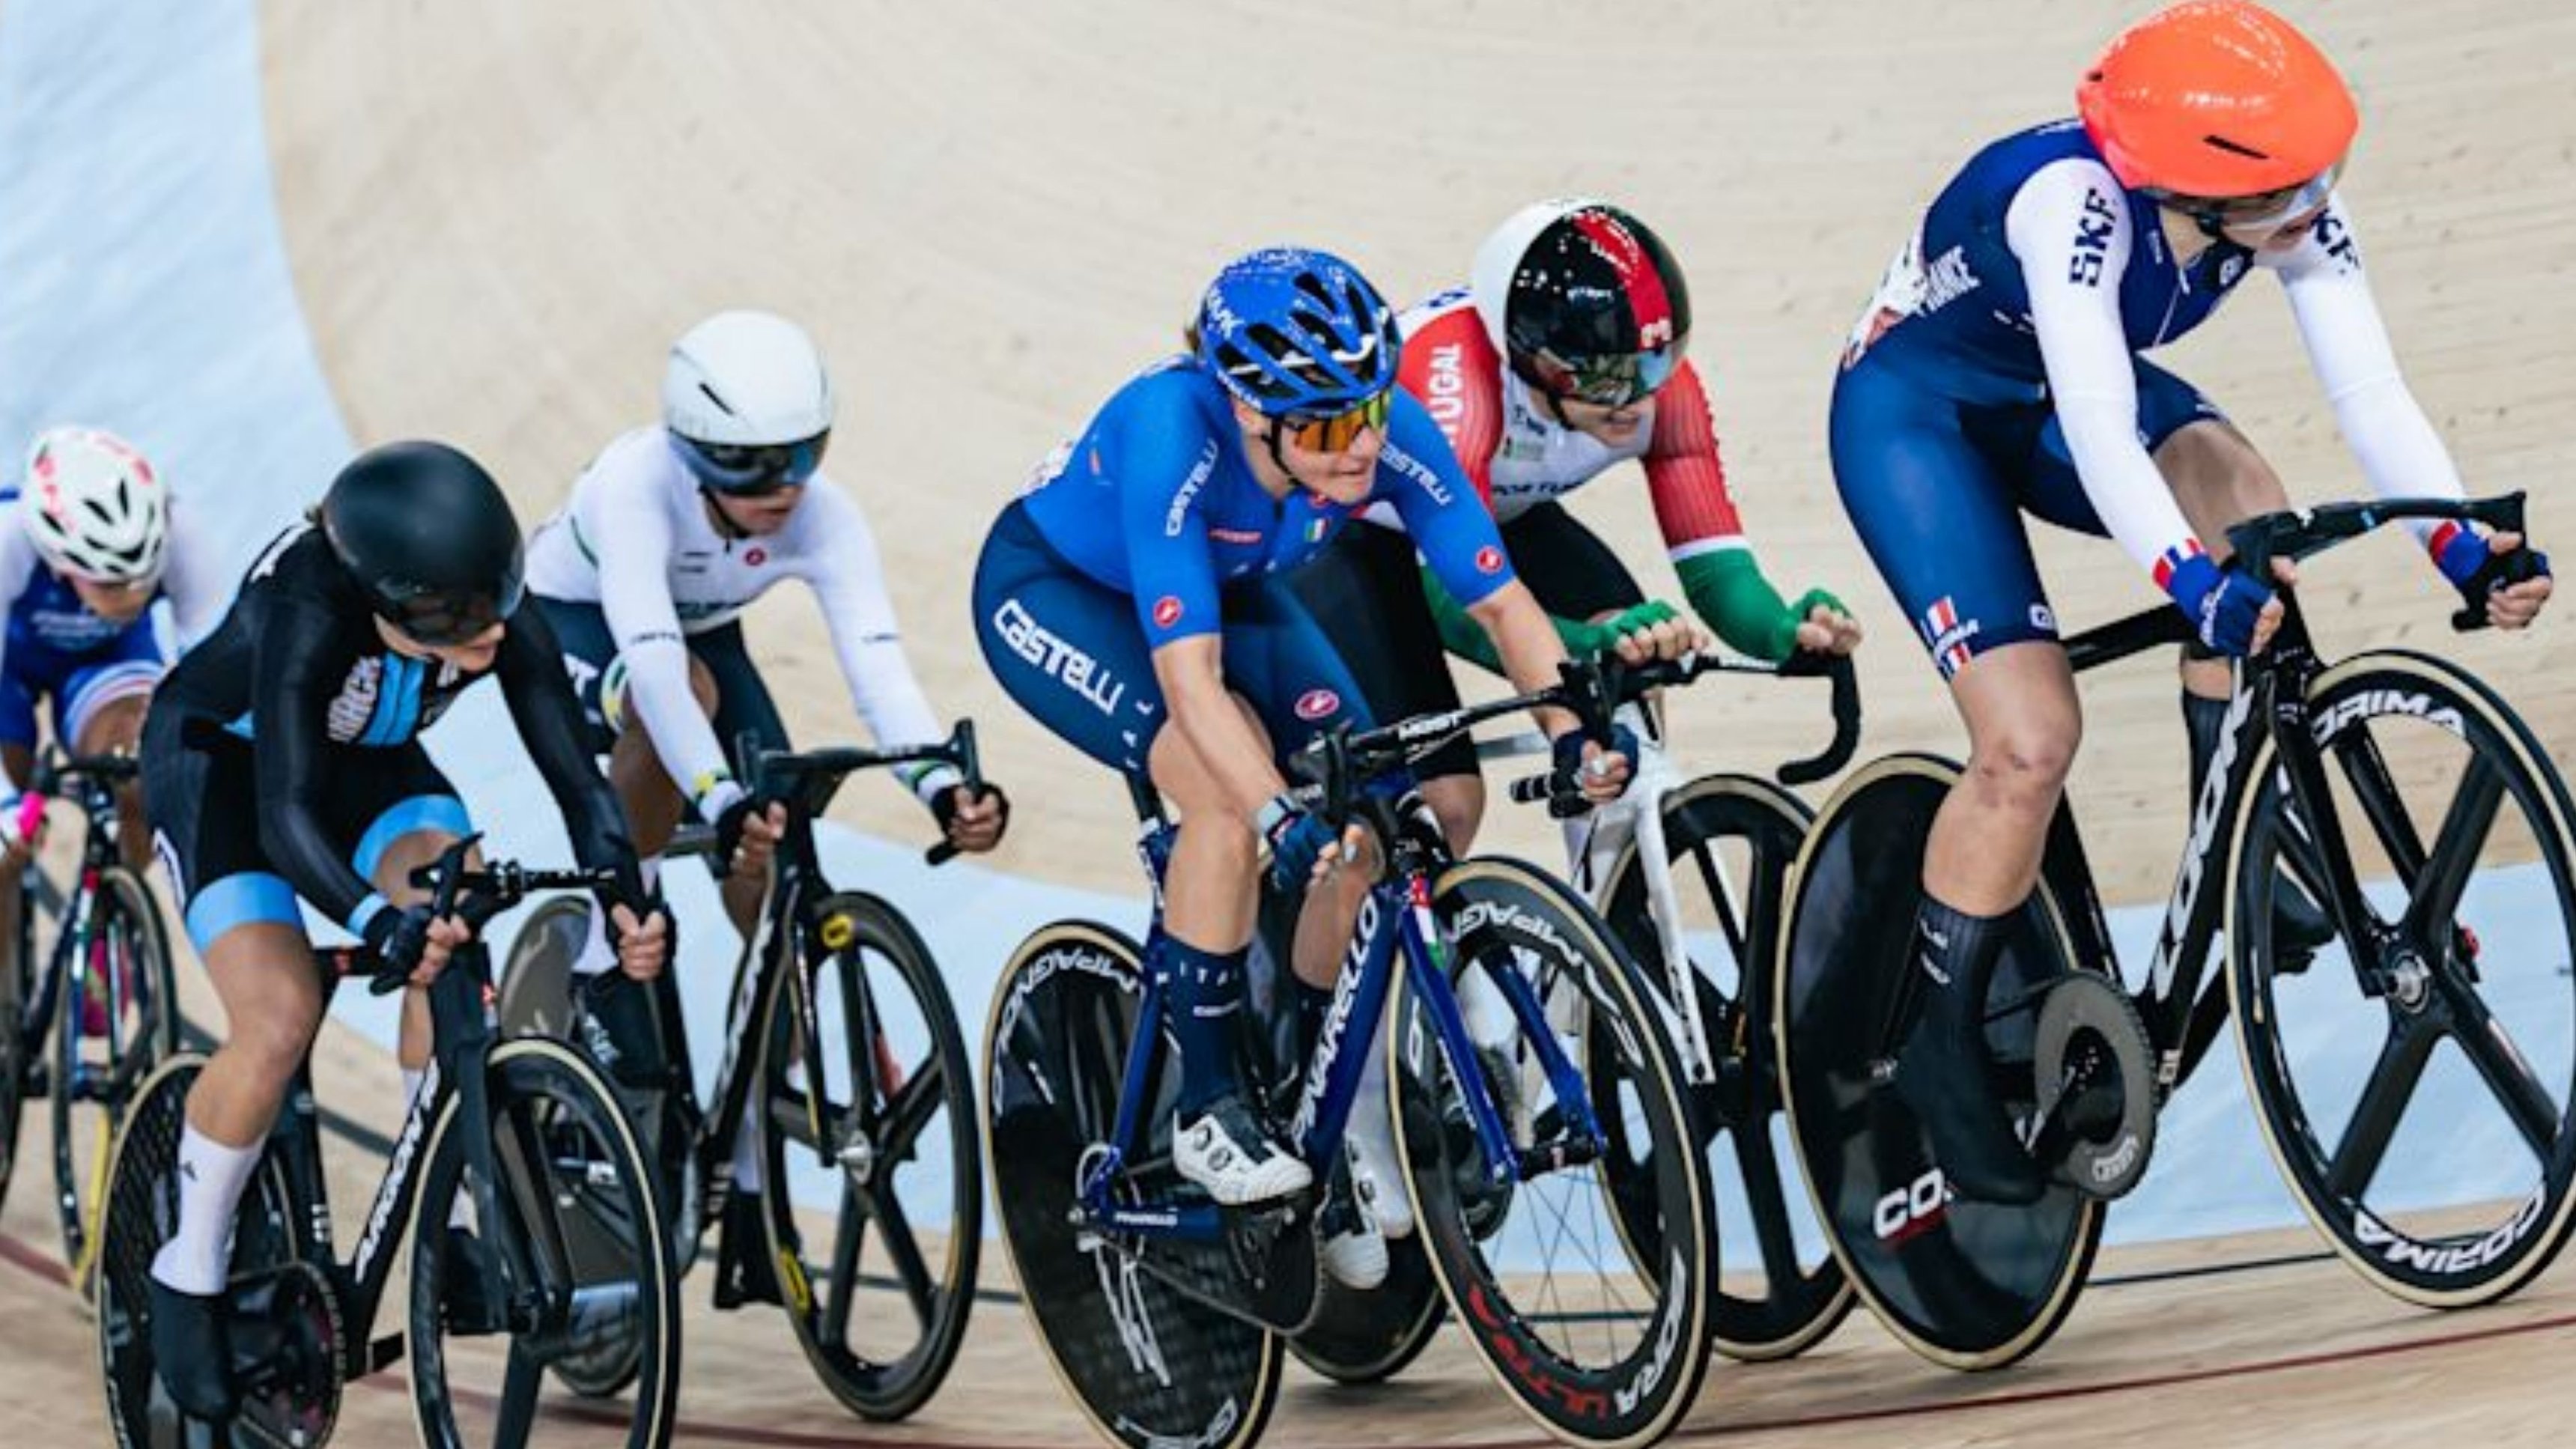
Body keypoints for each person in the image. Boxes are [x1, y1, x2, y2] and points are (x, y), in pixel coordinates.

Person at [1829, 0, 2552, 1203]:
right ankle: (1940, 1046)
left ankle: (2246, 850)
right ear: (2193, 193)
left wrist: (2462, 546)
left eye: (2323, 178)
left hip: (2057, 395)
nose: (2314, 210)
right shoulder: (2072, 204)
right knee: (2031, 736)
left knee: (2252, 511)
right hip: (1920, 420)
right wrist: (2184, 583)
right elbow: (2106, 433)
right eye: (2285, 196)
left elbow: (2371, 388)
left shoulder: (2282, 200)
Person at [973, 246, 1635, 1290]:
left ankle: (1320, 1082)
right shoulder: (1168, 434)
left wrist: (1574, 734)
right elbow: (1192, 686)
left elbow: (1504, 601)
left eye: (1370, 407)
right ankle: (1207, 1107)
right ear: (1249, 413)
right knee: (1224, 805)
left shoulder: (1375, 430)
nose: (1361, 445)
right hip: (1060, 595)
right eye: (1327, 428)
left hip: (1235, 591)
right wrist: (1279, 817)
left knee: (1378, 813)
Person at [139, 441, 669, 1418]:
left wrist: (628, 896)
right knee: (281, 1016)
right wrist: (378, 920)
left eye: (493, 608)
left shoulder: (489, 609)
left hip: (365, 766)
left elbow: (574, 774)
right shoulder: (308, 607)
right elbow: (285, 812)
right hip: (223, 773)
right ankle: (189, 1265)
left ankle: (457, 1222)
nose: (486, 639)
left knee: (456, 908)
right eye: (455, 622)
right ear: (388, 596)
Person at [520, 308, 1009, 1308]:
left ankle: (749, 1172)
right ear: (695, 454)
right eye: (752, 466)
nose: (783, 485)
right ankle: (614, 941)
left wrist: (941, 783)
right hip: (577, 631)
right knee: (693, 708)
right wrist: (718, 794)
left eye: (803, 454)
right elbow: (653, 669)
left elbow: (878, 668)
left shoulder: (823, 513)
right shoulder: (634, 488)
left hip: (702, 643)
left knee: (774, 869)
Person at [1294, 200, 1860, 854]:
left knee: (1629, 702)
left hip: (1505, 520)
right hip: (1355, 543)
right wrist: (1585, 645)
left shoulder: (1660, 389)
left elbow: (1718, 570)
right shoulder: (1461, 388)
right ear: (1526, 360)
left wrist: (1784, 630)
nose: (1636, 399)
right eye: (1601, 376)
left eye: (1653, 365)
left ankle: (1602, 927)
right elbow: (1461, 606)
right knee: (1445, 808)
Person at [0, 427, 224, 988]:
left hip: (106, 660)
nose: (132, 595)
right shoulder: (9, 542)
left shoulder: (181, 531)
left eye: (143, 579)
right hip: (10, 663)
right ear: (61, 563)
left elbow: (212, 678)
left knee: (141, 769)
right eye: (112, 583)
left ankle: (106, 921)